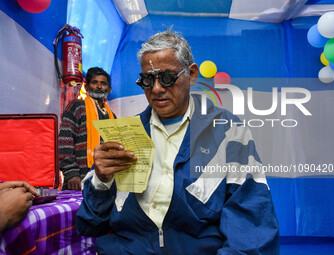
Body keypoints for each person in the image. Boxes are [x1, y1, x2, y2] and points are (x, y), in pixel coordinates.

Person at [76, 29, 280, 254]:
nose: (156, 89)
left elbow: (252, 228)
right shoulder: (123, 135)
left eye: (167, 77)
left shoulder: (229, 132)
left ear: (191, 74)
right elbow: (90, 224)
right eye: (147, 79)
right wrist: (101, 181)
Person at [59, 67, 116, 190]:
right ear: (86, 87)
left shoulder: (112, 116)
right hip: (78, 180)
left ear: (109, 89)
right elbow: (65, 140)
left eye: (103, 83)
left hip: (105, 180)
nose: (99, 87)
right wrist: (71, 172)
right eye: (94, 82)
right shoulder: (77, 106)